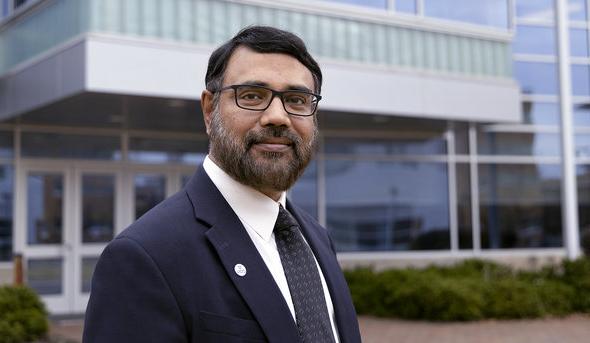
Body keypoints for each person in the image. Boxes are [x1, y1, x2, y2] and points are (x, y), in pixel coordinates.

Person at [83, 26, 361, 343]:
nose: (277, 117)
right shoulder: (145, 257)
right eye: (252, 96)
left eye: (296, 100)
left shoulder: (317, 238)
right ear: (209, 110)